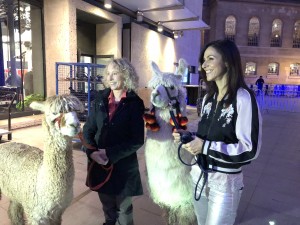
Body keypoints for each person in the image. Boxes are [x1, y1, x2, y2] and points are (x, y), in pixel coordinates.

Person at [172, 39, 262, 225]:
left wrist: (205, 146)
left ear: (228, 61)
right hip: (198, 176)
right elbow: (207, 135)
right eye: (203, 60)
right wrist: (189, 136)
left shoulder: (243, 98)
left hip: (224, 184)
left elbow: (249, 150)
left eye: (210, 58)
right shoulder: (208, 98)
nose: (204, 65)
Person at [82, 58, 145, 225]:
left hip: (124, 167)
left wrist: (109, 153)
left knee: (124, 209)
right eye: (108, 74)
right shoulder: (99, 99)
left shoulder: (134, 103)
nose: (110, 78)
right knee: (108, 207)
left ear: (125, 76)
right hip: (100, 165)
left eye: (115, 73)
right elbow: (88, 129)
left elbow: (137, 140)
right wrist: (92, 152)